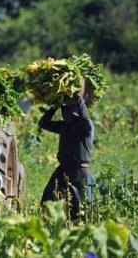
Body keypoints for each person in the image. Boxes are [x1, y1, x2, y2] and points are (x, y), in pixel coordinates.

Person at [39, 90, 94, 220]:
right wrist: (54, 106)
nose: (65, 115)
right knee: (48, 198)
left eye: (68, 112)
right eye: (64, 112)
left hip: (79, 171)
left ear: (75, 113)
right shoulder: (64, 126)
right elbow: (43, 124)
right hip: (63, 169)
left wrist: (80, 101)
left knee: (80, 207)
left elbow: (86, 119)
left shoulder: (84, 127)